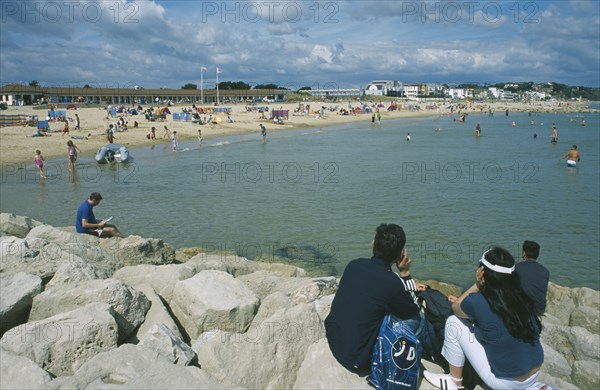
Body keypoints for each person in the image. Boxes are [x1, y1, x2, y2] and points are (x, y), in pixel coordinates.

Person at [424, 247, 544, 390]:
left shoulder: (479, 301)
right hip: (535, 373)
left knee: (453, 322)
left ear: (483, 273)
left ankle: (454, 381)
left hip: (508, 383)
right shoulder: (522, 298)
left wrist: (478, 284)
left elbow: (455, 308)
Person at [325, 223, 436, 375]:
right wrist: (405, 274)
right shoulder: (392, 282)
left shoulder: (354, 265)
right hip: (357, 360)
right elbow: (412, 312)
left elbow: (371, 289)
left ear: (373, 244)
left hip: (334, 341)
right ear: (400, 255)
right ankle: (435, 355)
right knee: (420, 319)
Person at [516, 241, 549, 316]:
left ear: (524, 253)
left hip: (521, 309)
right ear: (538, 254)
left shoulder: (516, 268)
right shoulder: (545, 271)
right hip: (539, 310)